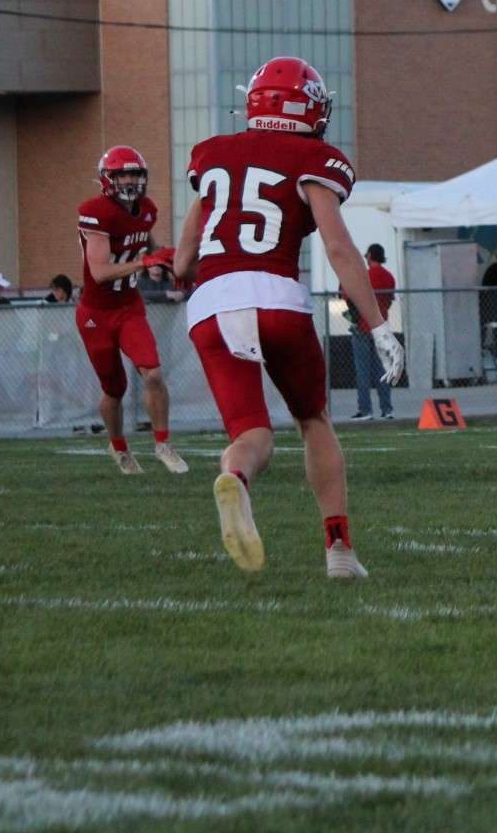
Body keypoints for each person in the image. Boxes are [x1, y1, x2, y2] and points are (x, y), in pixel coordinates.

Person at [173, 56, 403, 581]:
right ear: (309, 109)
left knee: (252, 434)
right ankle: (339, 551)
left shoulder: (212, 155)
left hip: (211, 302)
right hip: (277, 295)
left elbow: (184, 258)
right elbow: (340, 248)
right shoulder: (314, 157)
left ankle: (235, 474)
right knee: (314, 421)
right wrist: (378, 326)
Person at [75, 147, 186, 477]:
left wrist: (162, 257)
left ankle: (163, 444)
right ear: (108, 178)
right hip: (97, 313)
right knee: (114, 390)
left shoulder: (147, 209)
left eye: (136, 174)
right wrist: (142, 262)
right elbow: (99, 271)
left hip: (129, 307)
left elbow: (144, 238)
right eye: (123, 174)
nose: (130, 181)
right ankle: (119, 447)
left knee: (152, 372)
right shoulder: (95, 212)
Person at [348, 243, 398, 420]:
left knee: (363, 371)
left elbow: (349, 295)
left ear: (370, 256)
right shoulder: (389, 277)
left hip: (363, 327)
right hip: (382, 329)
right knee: (383, 371)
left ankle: (365, 410)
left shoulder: (365, 276)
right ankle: (387, 409)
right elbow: (389, 300)